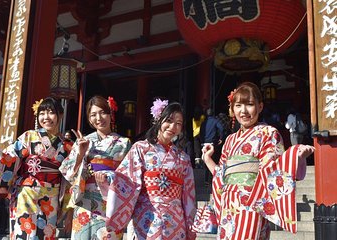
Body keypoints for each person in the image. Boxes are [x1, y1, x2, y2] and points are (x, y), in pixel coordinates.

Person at [202, 82, 314, 239]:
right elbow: (221, 176)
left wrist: (295, 156)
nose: (243, 111)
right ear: (232, 109)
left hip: (252, 202)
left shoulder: (269, 133)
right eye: (239, 105)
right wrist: (207, 159)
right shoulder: (230, 140)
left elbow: (273, 169)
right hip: (228, 204)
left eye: (249, 105)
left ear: (260, 107)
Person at [0, 97, 72, 239]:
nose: (46, 117)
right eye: (42, 113)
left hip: (51, 196)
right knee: (24, 233)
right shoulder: (29, 136)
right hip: (26, 192)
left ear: (61, 114)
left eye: (51, 112)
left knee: (46, 234)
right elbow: (7, 158)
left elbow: (71, 175)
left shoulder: (67, 146)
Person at [106, 98, 196, 239]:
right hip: (145, 217)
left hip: (175, 220)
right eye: (169, 121)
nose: (173, 127)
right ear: (158, 119)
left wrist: (190, 224)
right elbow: (126, 179)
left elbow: (188, 195)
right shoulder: (141, 148)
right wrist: (110, 177)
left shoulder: (183, 158)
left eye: (178, 124)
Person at [59, 95, 131, 240]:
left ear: (111, 113)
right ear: (89, 119)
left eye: (102, 112)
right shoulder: (84, 141)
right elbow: (67, 172)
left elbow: (129, 177)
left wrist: (110, 178)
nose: (99, 118)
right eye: (93, 115)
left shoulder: (124, 143)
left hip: (111, 201)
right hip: (85, 201)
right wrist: (80, 153)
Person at [200, 108, 225, 185]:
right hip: (212, 144)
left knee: (205, 162)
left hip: (204, 144)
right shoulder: (215, 121)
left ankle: (206, 180)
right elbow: (221, 128)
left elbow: (201, 133)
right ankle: (212, 179)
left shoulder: (203, 123)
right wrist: (221, 137)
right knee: (212, 161)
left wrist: (202, 142)